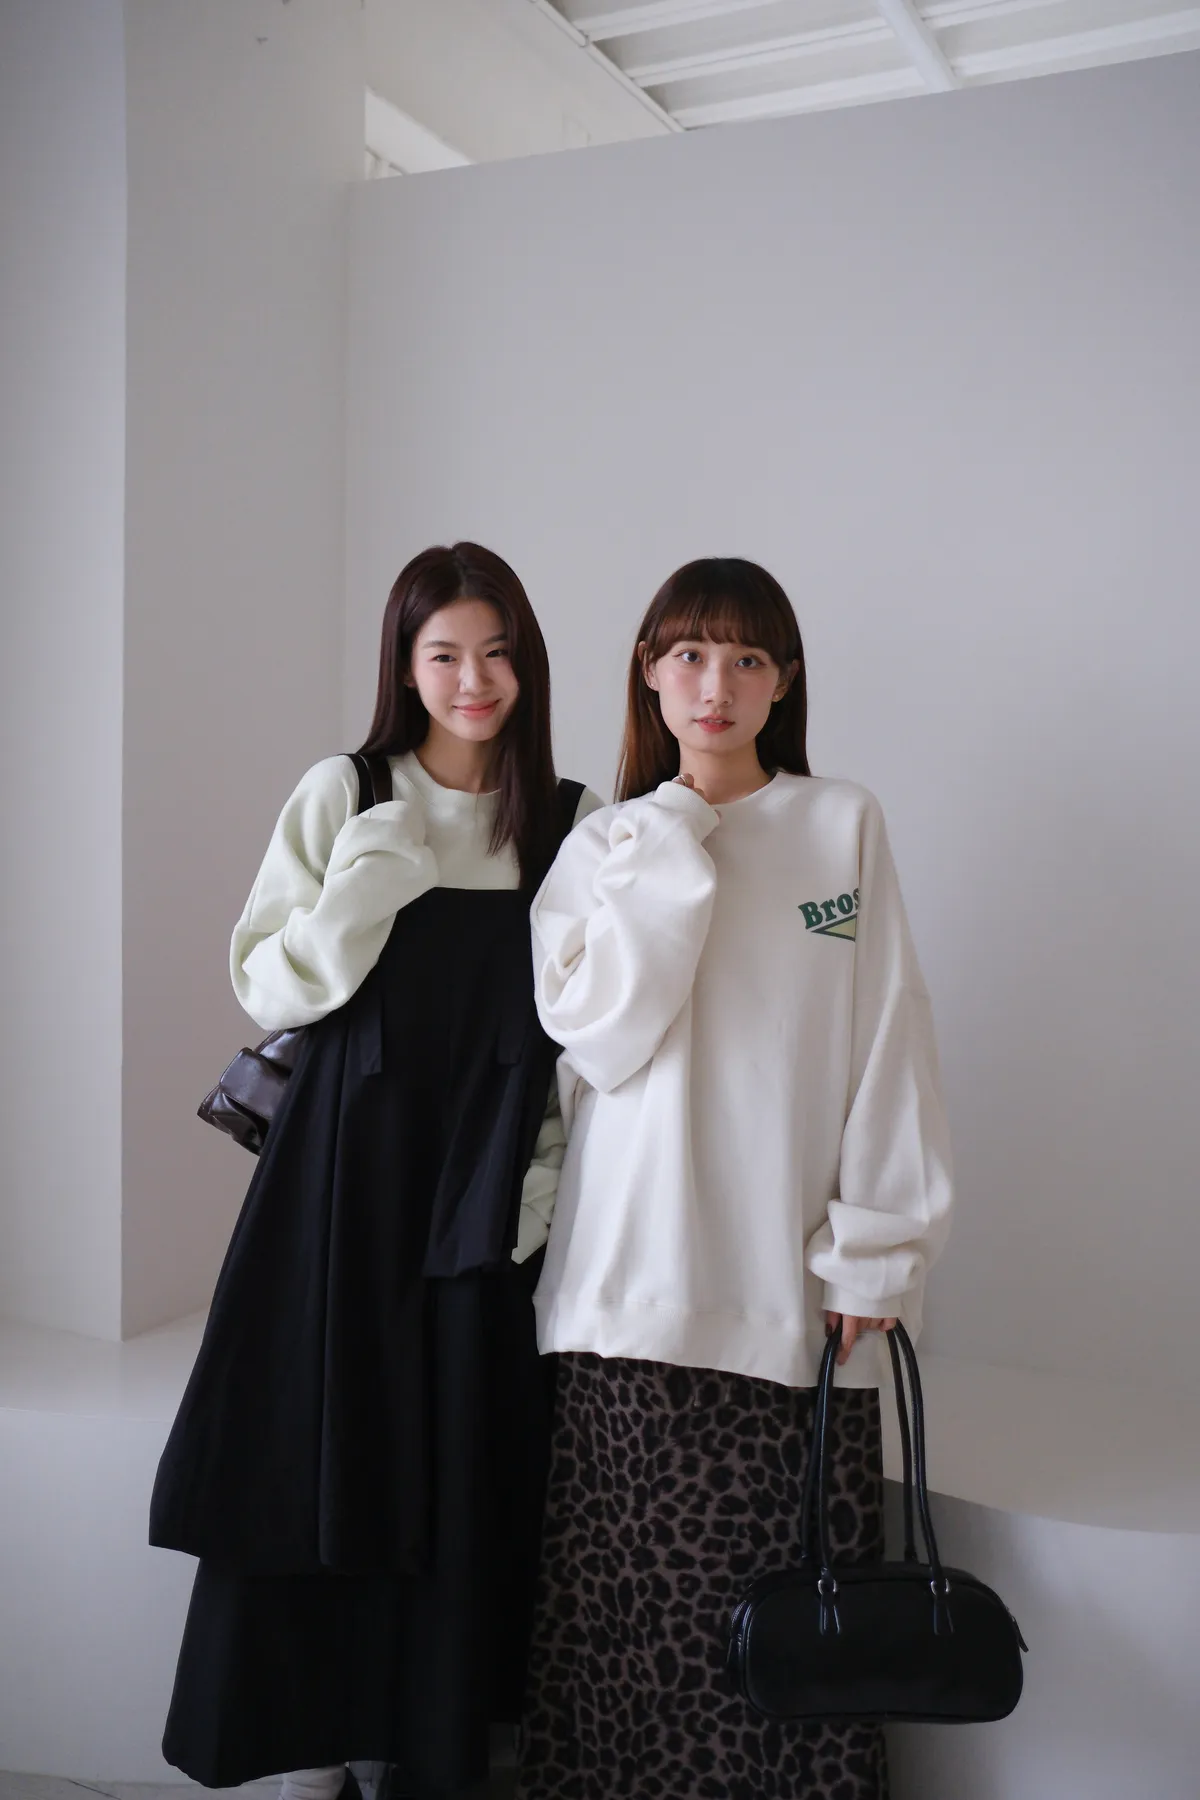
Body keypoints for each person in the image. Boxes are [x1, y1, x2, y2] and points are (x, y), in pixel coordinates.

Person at [150, 542, 601, 1800]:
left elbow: (586, 1045)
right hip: (342, 1181)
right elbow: (268, 983)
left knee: (463, 1455)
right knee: (326, 1441)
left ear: (528, 665)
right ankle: (316, 1744)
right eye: (445, 654)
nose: (475, 680)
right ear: (405, 665)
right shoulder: (346, 792)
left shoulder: (570, 822)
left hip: (489, 1196)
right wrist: (370, 880)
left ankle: (432, 1747)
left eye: (498, 653)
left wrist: (542, 1193)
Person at [516, 557, 954, 1800]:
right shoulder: (608, 844)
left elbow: (889, 1041)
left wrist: (875, 1252)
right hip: (626, 1292)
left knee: (791, 1644)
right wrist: (668, 840)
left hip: (791, 1290)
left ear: (783, 681)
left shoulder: (840, 825)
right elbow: (598, 1037)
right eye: (691, 654)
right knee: (626, 1638)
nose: (717, 684)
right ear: (650, 672)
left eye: (748, 658)